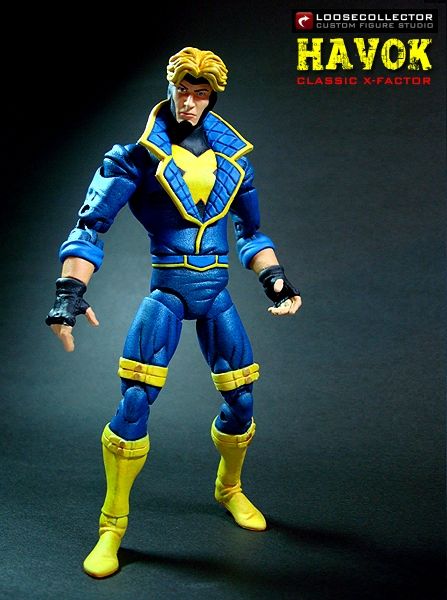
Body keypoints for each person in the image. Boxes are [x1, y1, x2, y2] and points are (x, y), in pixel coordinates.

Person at [46, 46, 302, 578]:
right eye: (183, 90)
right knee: (135, 402)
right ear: (170, 88)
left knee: (242, 401)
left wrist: (274, 278)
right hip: (167, 291)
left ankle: (229, 487)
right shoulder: (136, 157)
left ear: (213, 98)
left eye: (200, 93)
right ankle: (112, 526)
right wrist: (69, 291)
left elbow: (251, 233)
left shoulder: (234, 158)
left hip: (217, 293)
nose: (189, 102)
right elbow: (90, 226)